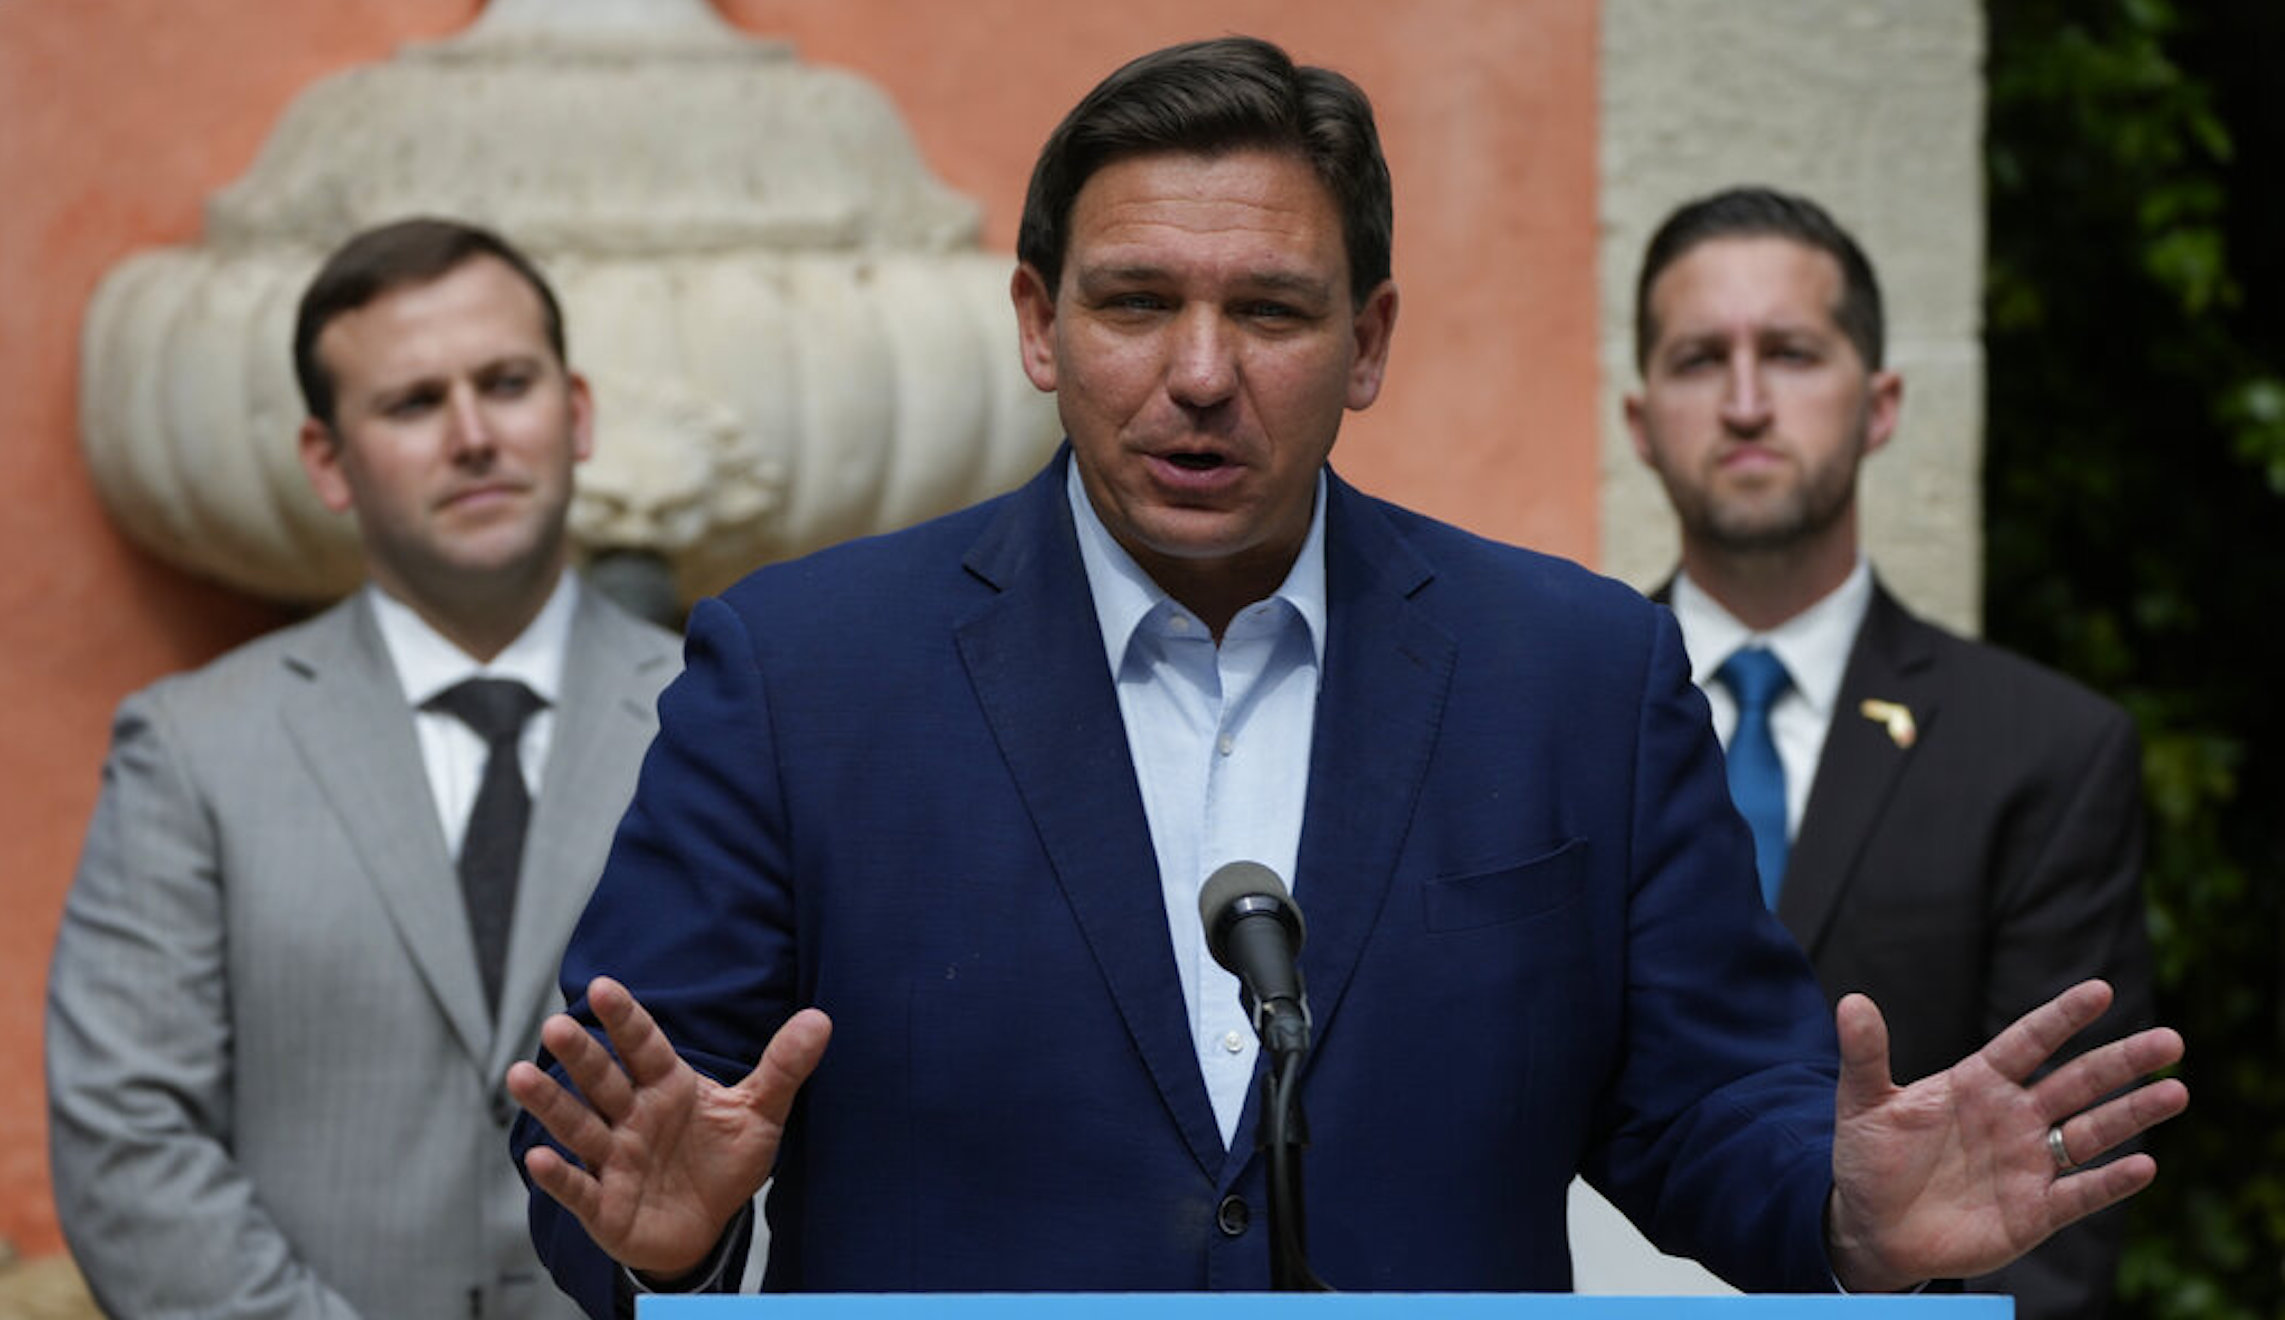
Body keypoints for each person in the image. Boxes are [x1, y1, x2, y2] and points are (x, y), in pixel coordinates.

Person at [508, 37, 2184, 1315]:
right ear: (1036, 323)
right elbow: (623, 1132)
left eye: (1272, 311)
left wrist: (1839, 1209)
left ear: (1369, 341)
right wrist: (668, 1240)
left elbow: (1703, 1099)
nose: (1199, 373)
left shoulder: (1575, 673)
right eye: (1135, 302)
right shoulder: (803, 673)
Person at [46, 217, 682, 1319]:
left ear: (576, 413)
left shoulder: (728, 718)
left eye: (506, 384)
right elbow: (126, 1137)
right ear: (327, 463)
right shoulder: (192, 750)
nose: (473, 436)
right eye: (414, 403)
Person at [1622, 185, 2157, 1317]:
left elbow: (2051, 1214)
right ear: (1638, 421)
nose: (1746, 404)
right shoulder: (1536, 719)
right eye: (1699, 360)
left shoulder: (2043, 753)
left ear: (1878, 405)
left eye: (1791, 353)